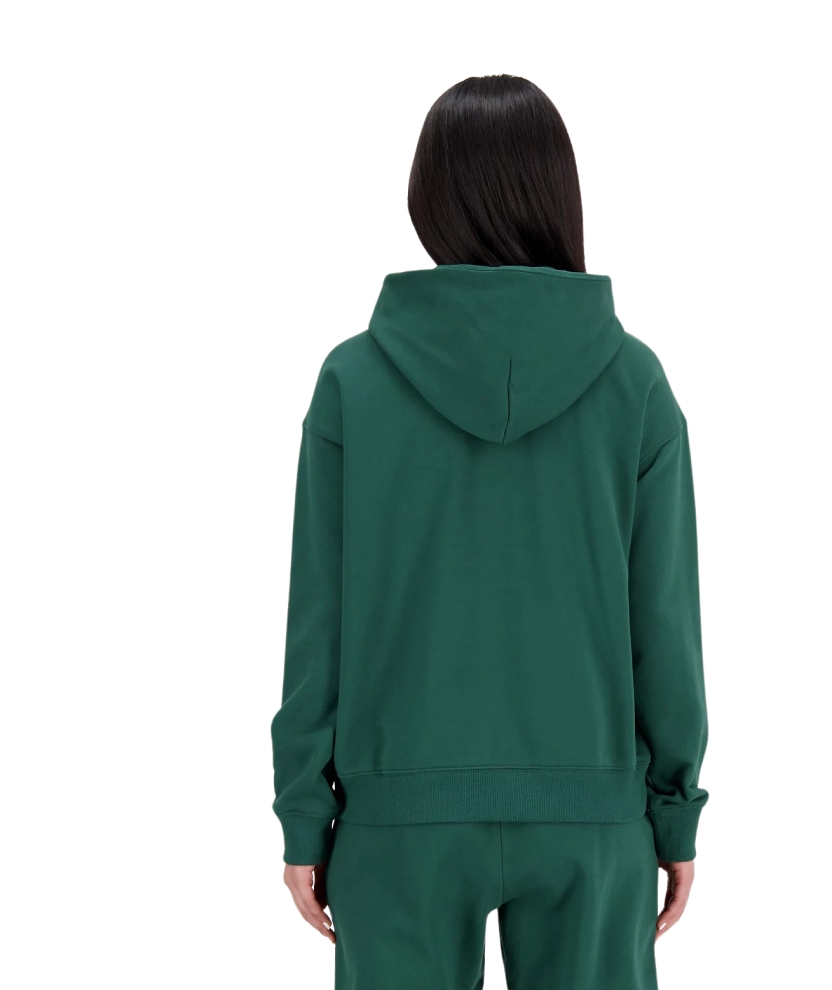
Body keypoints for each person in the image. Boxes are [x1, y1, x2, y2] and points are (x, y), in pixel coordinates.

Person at [271, 74, 709, 990]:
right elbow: (664, 629)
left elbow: (319, 625)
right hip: (591, 818)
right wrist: (673, 811)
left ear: (429, 196)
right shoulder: (634, 386)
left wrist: (305, 812)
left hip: (399, 823)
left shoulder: (354, 383)